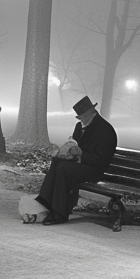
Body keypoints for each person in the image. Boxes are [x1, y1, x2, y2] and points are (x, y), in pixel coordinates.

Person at [34, 96, 117, 225]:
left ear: (91, 113)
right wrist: (66, 152)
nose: (81, 120)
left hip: (95, 169)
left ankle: (59, 213)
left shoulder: (105, 130)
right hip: (80, 164)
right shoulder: (79, 127)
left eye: (82, 117)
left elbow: (102, 160)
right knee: (57, 162)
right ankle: (46, 201)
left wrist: (81, 154)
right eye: (79, 117)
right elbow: (75, 145)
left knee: (64, 169)